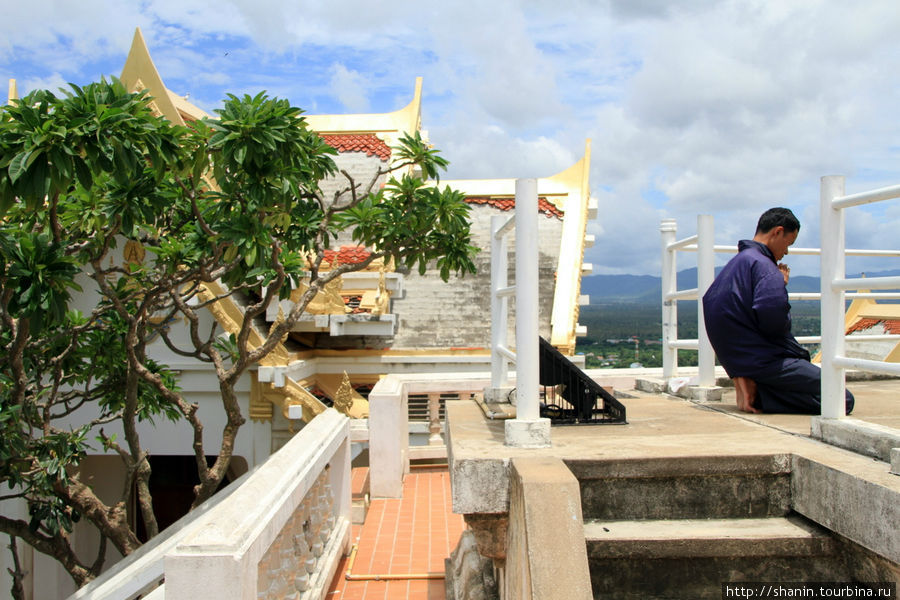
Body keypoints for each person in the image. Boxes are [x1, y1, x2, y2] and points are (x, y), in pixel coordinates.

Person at [702, 207, 854, 415]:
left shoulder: (737, 263)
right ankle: (757, 394)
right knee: (841, 398)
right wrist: (779, 285)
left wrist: (737, 367)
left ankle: (750, 384)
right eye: (788, 243)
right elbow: (773, 320)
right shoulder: (765, 267)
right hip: (765, 360)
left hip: (739, 359)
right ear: (777, 231)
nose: (787, 251)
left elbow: (713, 306)